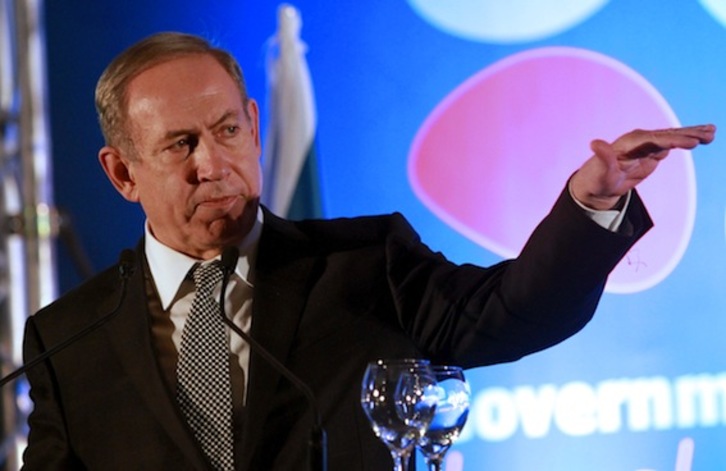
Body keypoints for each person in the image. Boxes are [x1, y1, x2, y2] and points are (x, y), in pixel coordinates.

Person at [20, 31, 715, 471]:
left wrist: (592, 202)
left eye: (227, 130)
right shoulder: (69, 339)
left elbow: (513, 309)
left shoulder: (364, 262)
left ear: (254, 126)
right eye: (181, 145)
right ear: (122, 172)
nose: (213, 164)